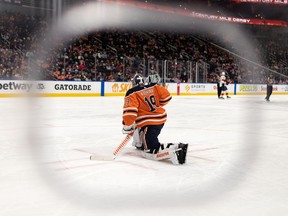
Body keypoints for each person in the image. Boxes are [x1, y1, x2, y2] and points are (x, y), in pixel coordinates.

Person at [122, 74, 188, 165]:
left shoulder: (132, 92)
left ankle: (173, 152)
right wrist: (156, 106)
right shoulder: (153, 87)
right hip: (160, 118)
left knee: (149, 148)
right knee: (146, 135)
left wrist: (127, 125)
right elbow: (167, 97)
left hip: (149, 122)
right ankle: (175, 146)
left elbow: (130, 112)